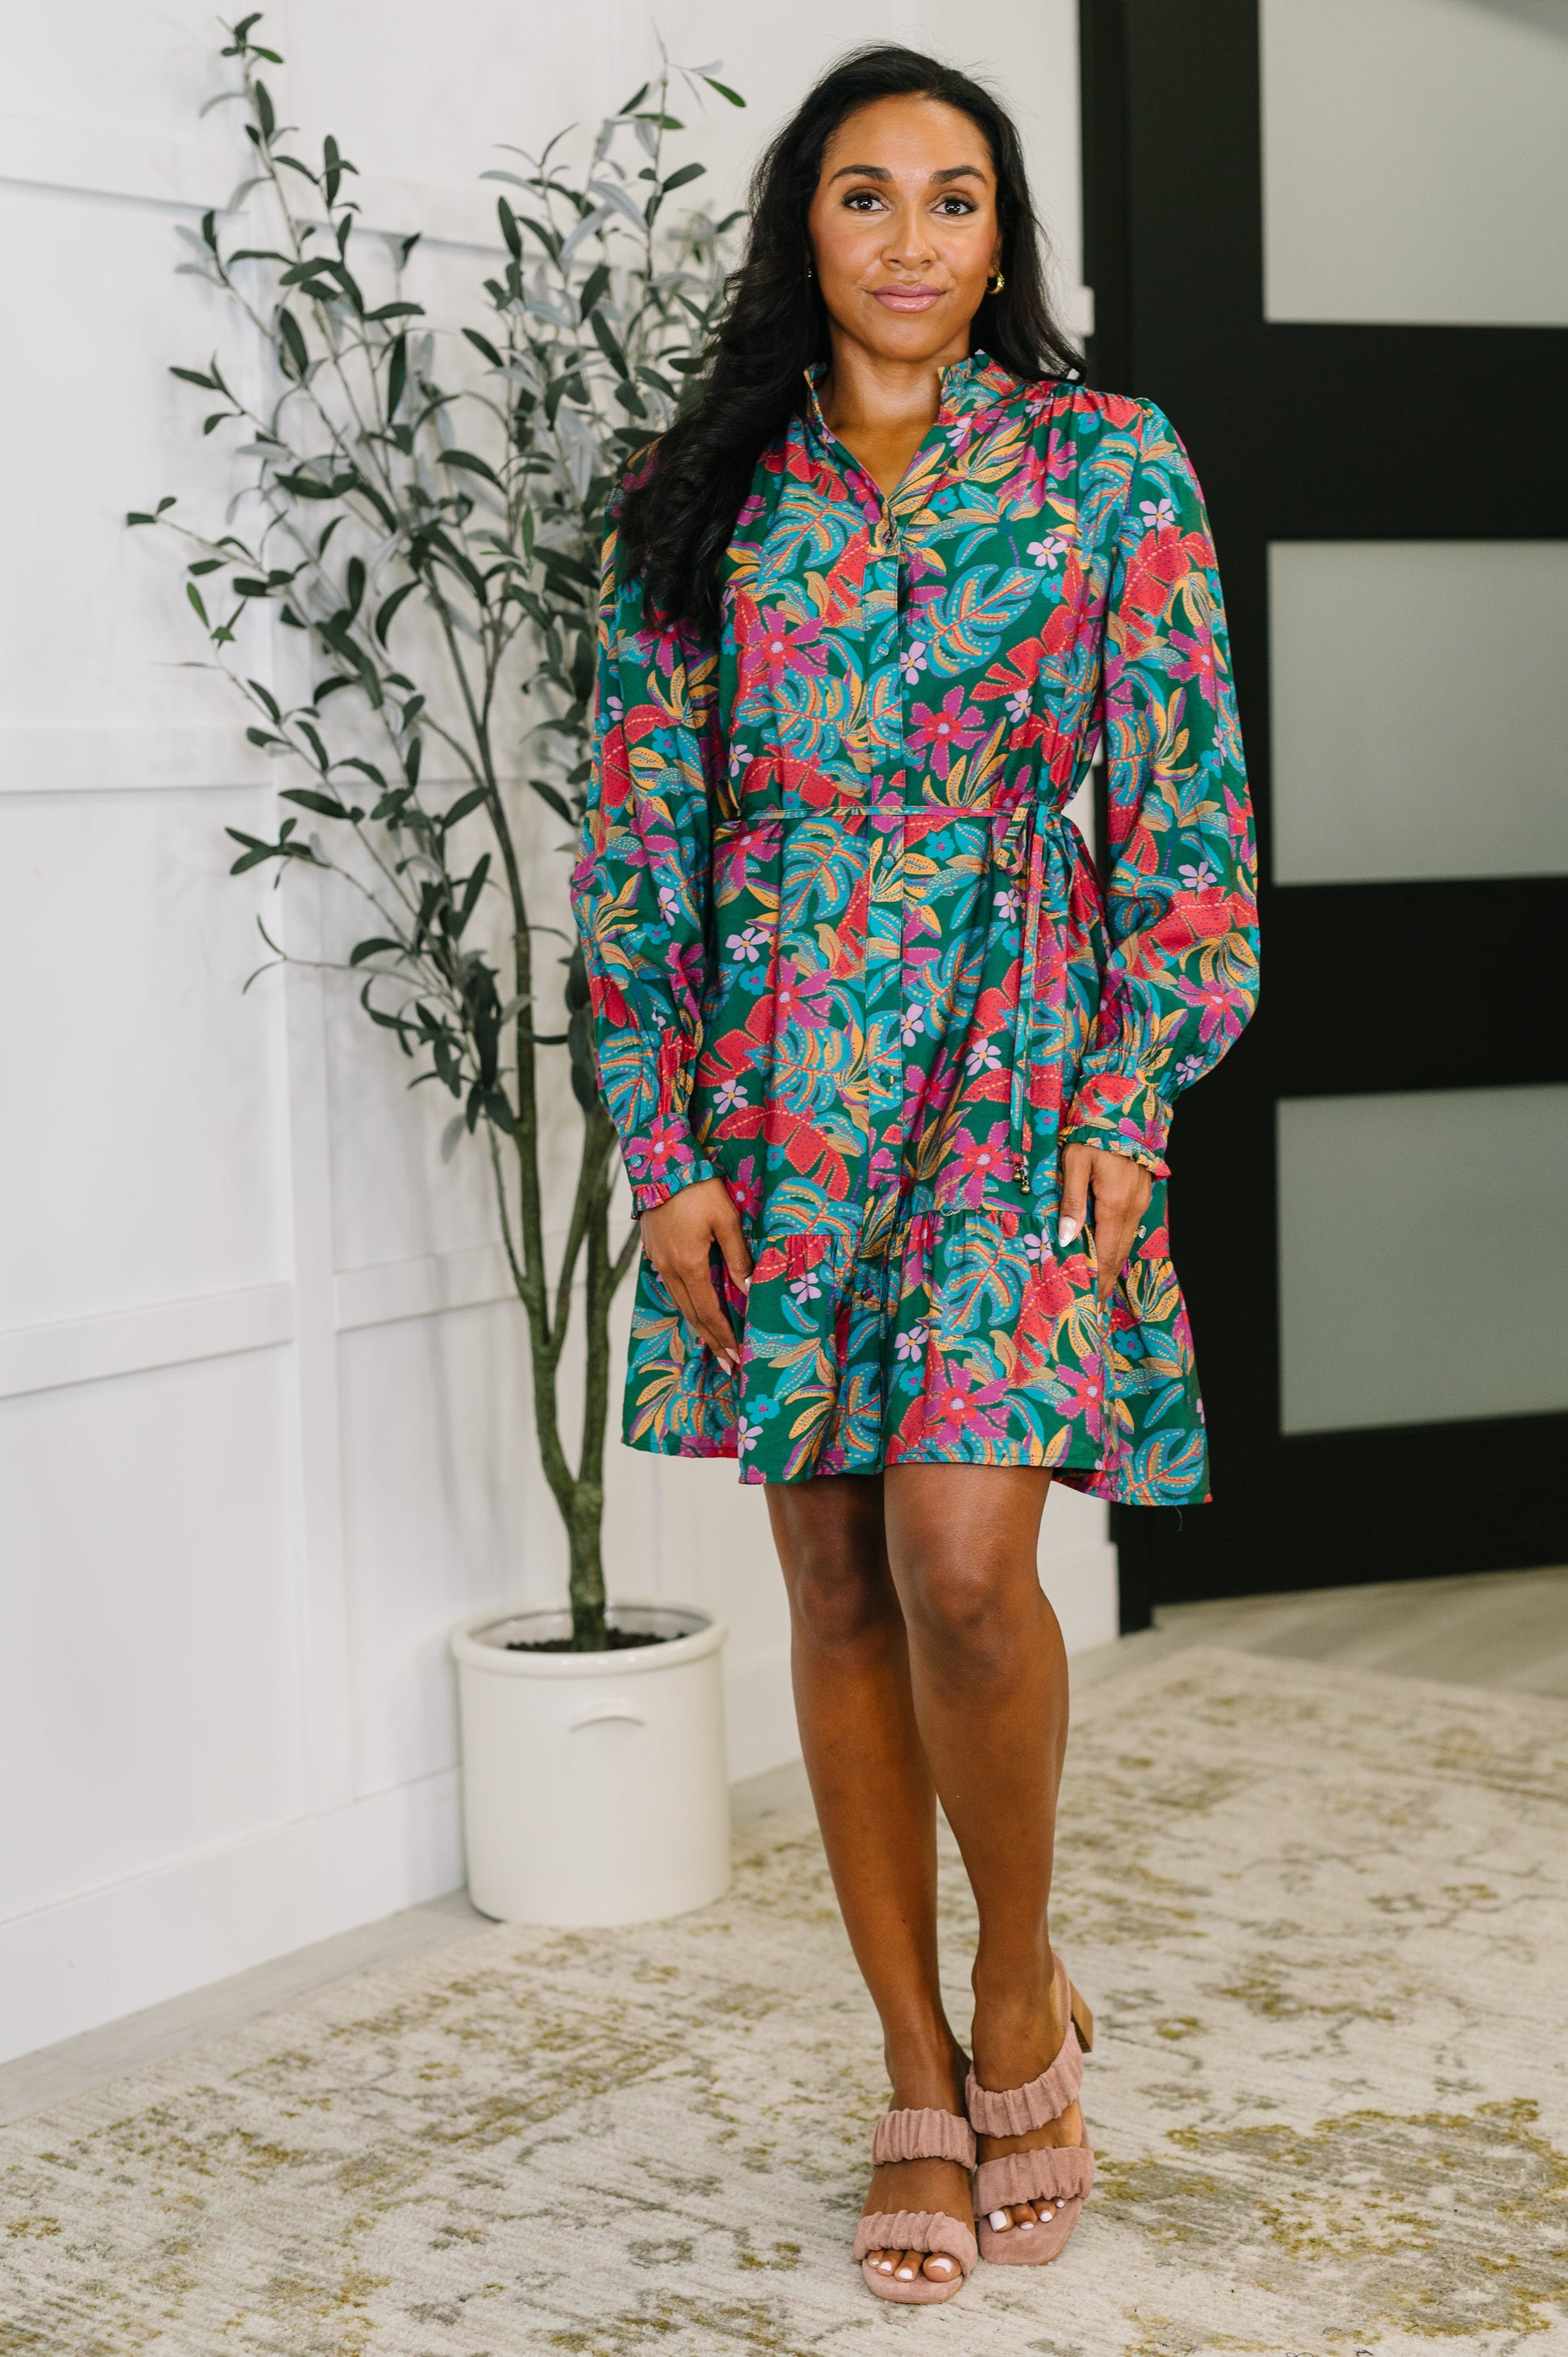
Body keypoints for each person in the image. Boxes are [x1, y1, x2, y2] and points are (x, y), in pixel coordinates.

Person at [571, 42, 1258, 2305]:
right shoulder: (694, 493)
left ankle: (1015, 1987)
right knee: (836, 1577)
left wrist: (1127, 1096)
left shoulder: (1107, 468)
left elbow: (1185, 823)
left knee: (965, 1562)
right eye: (863, 195)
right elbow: (639, 848)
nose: (907, 239)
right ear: (805, 224)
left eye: (952, 199)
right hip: (775, 1098)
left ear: (1000, 237)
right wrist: (663, 1146)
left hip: (1016, 1066)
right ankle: (908, 2065)